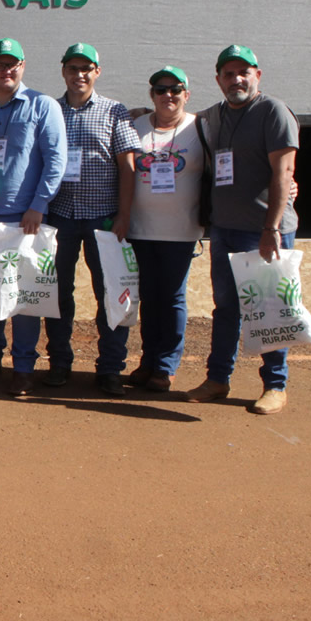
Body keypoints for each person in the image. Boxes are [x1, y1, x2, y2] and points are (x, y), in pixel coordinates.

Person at [187, 45, 300, 415]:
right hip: (224, 229)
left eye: (243, 72)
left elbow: (284, 173)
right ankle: (218, 379)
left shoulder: (273, 111)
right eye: (228, 74)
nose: (236, 79)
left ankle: (275, 385)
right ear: (218, 79)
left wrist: (271, 227)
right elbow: (177, 119)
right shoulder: (215, 116)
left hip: (264, 231)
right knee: (227, 309)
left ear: (257, 75)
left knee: (270, 310)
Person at [0, 38, 67, 397]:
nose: (6, 70)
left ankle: (23, 366)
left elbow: (56, 161)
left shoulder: (43, 106)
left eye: (13, 64)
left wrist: (39, 205)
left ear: (23, 66)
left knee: (24, 297)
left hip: (25, 218)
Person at [41, 43, 142, 397]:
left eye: (86, 68)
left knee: (111, 295)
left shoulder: (115, 111)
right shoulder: (50, 111)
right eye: (72, 67)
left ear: (97, 72)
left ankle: (111, 368)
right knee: (56, 295)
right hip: (60, 218)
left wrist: (124, 215)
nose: (79, 74)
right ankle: (59, 363)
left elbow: (128, 168)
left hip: (104, 221)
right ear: (63, 70)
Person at [125, 65, 204, 394]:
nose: (168, 95)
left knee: (171, 298)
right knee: (148, 297)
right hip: (140, 228)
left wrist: (290, 185)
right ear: (151, 95)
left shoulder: (202, 128)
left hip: (180, 229)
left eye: (175, 89)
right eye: (160, 89)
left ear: (186, 94)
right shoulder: (136, 125)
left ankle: (167, 366)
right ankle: (149, 359)